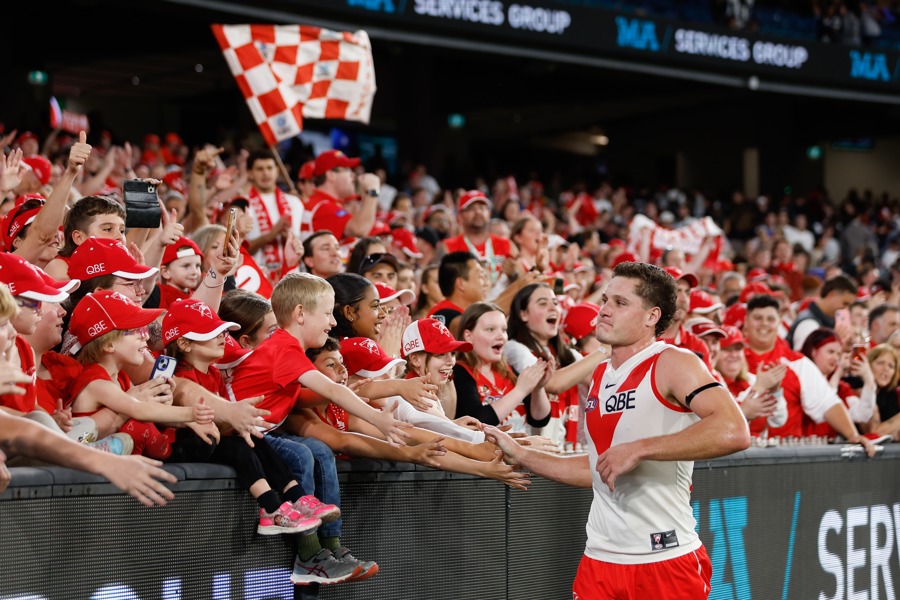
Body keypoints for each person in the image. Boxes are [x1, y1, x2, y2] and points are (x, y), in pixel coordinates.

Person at [483, 261, 752, 599]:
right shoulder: (600, 373)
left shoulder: (674, 362)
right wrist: (521, 454)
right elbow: (598, 466)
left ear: (652, 316)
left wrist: (639, 449)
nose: (605, 310)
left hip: (664, 558)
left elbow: (734, 430)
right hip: (600, 558)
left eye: (620, 303)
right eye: (606, 300)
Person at [225, 272, 408, 584]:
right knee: (301, 454)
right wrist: (377, 418)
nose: (333, 322)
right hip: (240, 435)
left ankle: (331, 547)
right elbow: (332, 391)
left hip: (259, 434)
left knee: (320, 451)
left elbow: (318, 393)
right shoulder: (284, 348)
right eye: (327, 314)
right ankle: (309, 557)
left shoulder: (286, 347)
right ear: (300, 314)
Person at [160, 298, 330, 539]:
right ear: (184, 344)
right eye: (212, 332)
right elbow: (198, 423)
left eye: (222, 330)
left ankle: (297, 496)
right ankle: (271, 507)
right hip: (182, 446)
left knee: (253, 437)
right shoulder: (178, 376)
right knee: (237, 443)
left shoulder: (213, 372)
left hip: (211, 440)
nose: (223, 336)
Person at [742, 293, 876, 453]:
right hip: (737, 454)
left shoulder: (797, 362)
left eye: (770, 319)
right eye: (758, 318)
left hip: (784, 456)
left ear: (779, 322)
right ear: (746, 322)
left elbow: (827, 402)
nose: (764, 324)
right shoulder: (731, 359)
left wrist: (852, 435)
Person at [242, 149, 305, 285]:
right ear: (250, 173)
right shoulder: (242, 204)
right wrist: (271, 235)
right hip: (255, 280)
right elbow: (240, 249)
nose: (265, 173)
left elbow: (300, 246)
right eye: (260, 169)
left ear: (277, 171)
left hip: (290, 278)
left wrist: (288, 237)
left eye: (269, 168)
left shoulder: (294, 202)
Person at [800, 327, 876, 438]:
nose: (835, 358)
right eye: (831, 352)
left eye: (838, 354)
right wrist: (838, 373)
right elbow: (824, 404)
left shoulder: (842, 387)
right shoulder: (800, 379)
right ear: (813, 351)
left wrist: (869, 379)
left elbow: (862, 415)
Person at [299, 149, 379, 244]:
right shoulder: (322, 206)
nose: (353, 175)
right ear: (331, 175)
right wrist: (372, 191)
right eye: (347, 170)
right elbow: (360, 229)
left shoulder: (322, 202)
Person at [786, 274, 857, 351]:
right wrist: (837, 343)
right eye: (845, 303)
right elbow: (804, 356)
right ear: (831, 295)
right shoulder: (808, 324)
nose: (846, 309)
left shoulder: (827, 321)